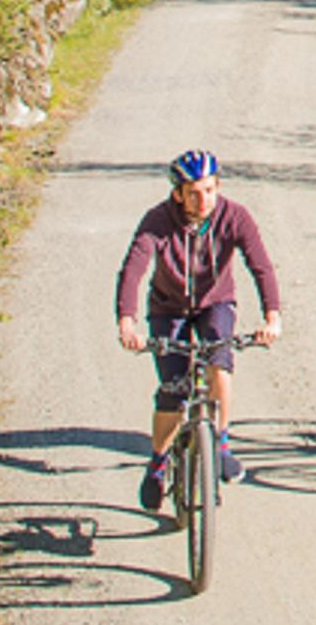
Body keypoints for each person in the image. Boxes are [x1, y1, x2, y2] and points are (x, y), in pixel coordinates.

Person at [115, 149, 284, 513]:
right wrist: (126, 320)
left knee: (219, 363)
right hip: (168, 308)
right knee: (174, 392)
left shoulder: (234, 216)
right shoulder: (158, 221)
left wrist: (272, 316)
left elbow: (261, 266)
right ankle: (158, 463)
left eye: (209, 189)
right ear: (177, 193)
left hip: (214, 303)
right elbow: (134, 267)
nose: (203, 199)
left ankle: (221, 442)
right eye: (193, 191)